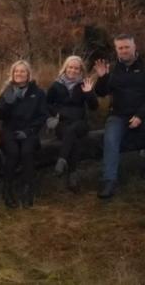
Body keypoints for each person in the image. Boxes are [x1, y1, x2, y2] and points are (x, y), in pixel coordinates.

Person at [92, 34, 145, 199]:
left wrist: (140, 116)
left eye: (126, 47)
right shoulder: (113, 69)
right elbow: (101, 93)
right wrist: (102, 78)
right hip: (118, 116)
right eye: (120, 48)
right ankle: (109, 180)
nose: (124, 50)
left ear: (134, 47)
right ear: (116, 50)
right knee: (110, 138)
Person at [0, 60, 49, 209]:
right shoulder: (7, 91)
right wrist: (8, 103)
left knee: (27, 152)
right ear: (12, 74)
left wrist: (29, 131)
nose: (19, 74)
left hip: (29, 131)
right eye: (16, 71)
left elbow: (43, 116)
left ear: (28, 74)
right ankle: (7, 190)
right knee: (13, 152)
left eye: (22, 71)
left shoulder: (37, 93)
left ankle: (28, 190)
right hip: (9, 130)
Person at [46, 56, 98, 192]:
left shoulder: (84, 84)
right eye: (70, 67)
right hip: (62, 123)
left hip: (81, 123)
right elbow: (47, 104)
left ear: (80, 70)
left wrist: (89, 94)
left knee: (73, 130)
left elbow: (94, 107)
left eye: (76, 68)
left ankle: (62, 160)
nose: (73, 70)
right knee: (71, 135)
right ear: (65, 68)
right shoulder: (56, 85)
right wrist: (56, 113)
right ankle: (72, 174)